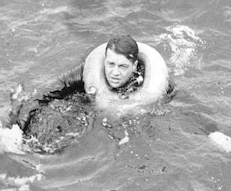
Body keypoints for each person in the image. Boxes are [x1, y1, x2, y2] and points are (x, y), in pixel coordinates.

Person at [10, 34, 146, 130]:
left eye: (123, 66)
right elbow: (43, 95)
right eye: (111, 64)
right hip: (83, 105)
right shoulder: (86, 73)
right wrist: (17, 130)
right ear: (104, 60)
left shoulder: (148, 80)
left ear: (134, 66)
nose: (115, 72)